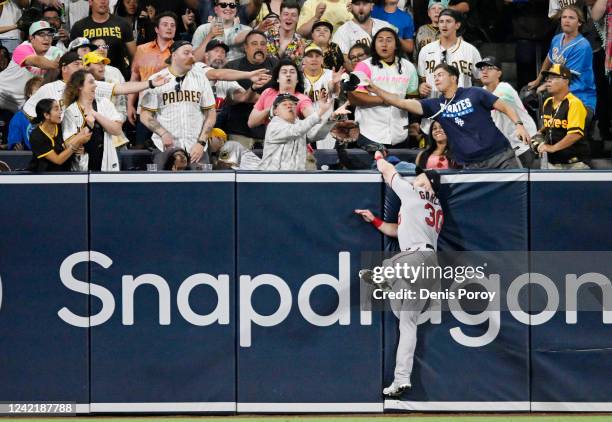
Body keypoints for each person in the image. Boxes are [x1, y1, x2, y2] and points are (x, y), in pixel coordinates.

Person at [355, 154, 442, 397]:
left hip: (415, 258)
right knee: (407, 323)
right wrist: (375, 221)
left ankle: (384, 278)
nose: (416, 179)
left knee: (382, 267)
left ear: (427, 183)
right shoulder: (436, 207)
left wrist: (379, 156)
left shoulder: (414, 193)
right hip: (428, 264)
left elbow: (387, 172)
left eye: (420, 178)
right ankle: (401, 378)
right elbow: (398, 230)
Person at [367, 63, 531, 169]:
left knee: (517, 199)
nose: (436, 78)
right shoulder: (434, 105)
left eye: (440, 74)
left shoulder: (474, 93)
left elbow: (504, 106)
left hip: (500, 157)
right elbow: (400, 102)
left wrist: (519, 124)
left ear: (453, 78)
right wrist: (376, 89)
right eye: (434, 76)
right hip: (471, 165)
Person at [23, 50, 169, 119]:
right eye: (76, 64)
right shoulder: (49, 88)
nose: (80, 67)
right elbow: (28, 110)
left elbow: (121, 88)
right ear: (64, 68)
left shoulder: (90, 85)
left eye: (82, 64)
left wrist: (150, 83)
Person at [140, 41, 216, 164]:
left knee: (202, 184)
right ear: (174, 55)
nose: (192, 56)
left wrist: (201, 142)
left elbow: (211, 114)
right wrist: (163, 133)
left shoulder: (201, 78)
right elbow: (144, 115)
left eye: (192, 53)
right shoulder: (157, 79)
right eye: (186, 53)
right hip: (165, 148)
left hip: (196, 149)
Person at [348, 27, 419, 148]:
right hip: (370, 134)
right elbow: (354, 98)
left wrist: (414, 122)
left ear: (396, 45)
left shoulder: (409, 67)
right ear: (374, 45)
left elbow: (413, 99)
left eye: (389, 40)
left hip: (400, 134)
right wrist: (384, 100)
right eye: (380, 40)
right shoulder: (363, 66)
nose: (384, 44)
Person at [528, 5, 597, 112]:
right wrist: (538, 80)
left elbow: (565, 76)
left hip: (580, 98)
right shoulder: (557, 38)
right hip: (560, 93)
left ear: (579, 23)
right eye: (564, 17)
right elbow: (549, 59)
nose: (567, 20)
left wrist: (546, 86)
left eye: (571, 18)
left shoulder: (582, 46)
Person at [477, 56, 539, 168]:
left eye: (489, 68)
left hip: (524, 144)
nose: (484, 71)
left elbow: (496, 102)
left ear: (499, 73)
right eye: (482, 68)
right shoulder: (482, 92)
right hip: (506, 148)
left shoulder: (504, 88)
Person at [62, 69, 124, 171]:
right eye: (91, 82)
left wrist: (95, 114)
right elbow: (68, 143)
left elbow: (117, 130)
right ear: (80, 86)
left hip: (106, 162)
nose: (95, 85)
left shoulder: (104, 103)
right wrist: (77, 145)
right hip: (82, 167)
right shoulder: (71, 111)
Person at [417, 9, 481, 100]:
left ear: (457, 25)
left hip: (462, 104)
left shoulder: (471, 50)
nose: (444, 25)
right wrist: (421, 87)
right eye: (441, 21)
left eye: (448, 21)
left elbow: (480, 79)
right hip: (434, 104)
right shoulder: (425, 51)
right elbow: (423, 80)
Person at [0, 21, 63, 113]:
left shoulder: (55, 51)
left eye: (49, 34)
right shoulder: (22, 48)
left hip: (22, 104)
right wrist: (54, 65)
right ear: (31, 38)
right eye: (41, 34)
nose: (46, 38)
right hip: (2, 94)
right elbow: (36, 61)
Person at [259, 93, 333, 170]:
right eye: (284, 104)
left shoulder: (300, 124)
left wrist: (332, 118)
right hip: (270, 177)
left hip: (296, 176)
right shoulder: (273, 126)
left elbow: (316, 134)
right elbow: (295, 130)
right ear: (275, 111)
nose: (289, 106)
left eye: (292, 104)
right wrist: (321, 111)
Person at [537, 63, 590, 169]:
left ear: (566, 81)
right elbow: (551, 124)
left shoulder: (574, 103)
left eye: (553, 77)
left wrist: (552, 148)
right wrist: (539, 133)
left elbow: (575, 134)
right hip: (552, 162)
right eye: (548, 77)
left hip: (574, 164)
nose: (548, 80)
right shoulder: (547, 102)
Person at [70, 0, 136, 79]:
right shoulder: (79, 27)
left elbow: (134, 55)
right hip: (88, 77)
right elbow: (74, 57)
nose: (103, 1)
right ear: (90, 2)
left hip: (117, 77)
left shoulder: (122, 24)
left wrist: (134, 77)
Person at [28, 98, 92, 172]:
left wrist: (82, 149)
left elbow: (79, 139)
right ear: (46, 115)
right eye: (56, 109)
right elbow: (58, 160)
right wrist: (77, 143)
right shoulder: (36, 136)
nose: (60, 112)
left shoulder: (64, 126)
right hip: (44, 177)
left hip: (67, 173)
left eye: (60, 109)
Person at [248, 58, 314, 129]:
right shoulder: (268, 92)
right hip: (270, 138)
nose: (288, 74)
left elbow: (313, 119)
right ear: (278, 79)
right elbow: (251, 123)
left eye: (292, 72)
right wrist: (270, 110)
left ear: (297, 79)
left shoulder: (302, 99)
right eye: (284, 72)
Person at [332, 0, 394, 71]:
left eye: (365, 4)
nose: (361, 8)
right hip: (361, 78)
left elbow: (395, 52)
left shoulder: (384, 25)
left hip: (388, 75)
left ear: (371, 6)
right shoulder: (342, 31)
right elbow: (346, 62)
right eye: (357, 4)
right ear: (351, 7)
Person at [83, 51, 127, 122]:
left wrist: (118, 120)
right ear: (86, 67)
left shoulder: (114, 81)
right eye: (97, 63)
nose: (102, 66)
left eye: (103, 63)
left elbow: (122, 107)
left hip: (113, 126)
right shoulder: (80, 86)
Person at [7, 76, 43, 150]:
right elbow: (14, 142)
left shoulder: (53, 112)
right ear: (29, 94)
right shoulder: (19, 117)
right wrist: (16, 147)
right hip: (29, 157)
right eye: (38, 91)